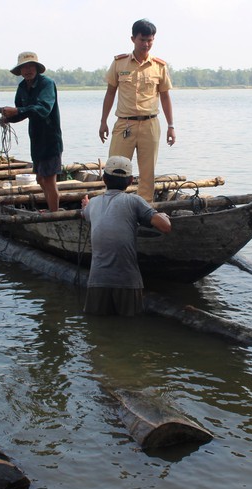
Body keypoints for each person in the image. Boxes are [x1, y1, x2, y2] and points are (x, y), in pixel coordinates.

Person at [81, 156, 172, 316]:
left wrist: (86, 206)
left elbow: (85, 213)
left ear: (104, 179)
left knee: (97, 330)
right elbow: (165, 226)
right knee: (129, 327)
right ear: (130, 181)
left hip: (97, 282)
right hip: (126, 283)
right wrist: (162, 214)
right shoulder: (134, 201)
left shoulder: (93, 203)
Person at [99, 19, 176, 203]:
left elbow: (165, 97)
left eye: (150, 40)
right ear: (133, 39)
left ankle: (145, 210)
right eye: (142, 40)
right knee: (115, 169)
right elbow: (110, 93)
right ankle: (112, 206)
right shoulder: (119, 63)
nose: (146, 44)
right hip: (124, 123)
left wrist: (171, 126)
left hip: (150, 124)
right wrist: (103, 121)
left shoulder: (159, 66)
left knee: (147, 172)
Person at [0, 51, 63, 212]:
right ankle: (51, 210)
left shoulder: (46, 84)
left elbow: (43, 109)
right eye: (24, 67)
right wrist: (8, 118)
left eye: (31, 66)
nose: (28, 70)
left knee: (49, 180)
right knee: (41, 179)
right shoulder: (22, 87)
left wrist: (16, 111)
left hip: (50, 140)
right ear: (20, 71)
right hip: (36, 140)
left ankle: (54, 215)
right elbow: (22, 112)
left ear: (36, 68)